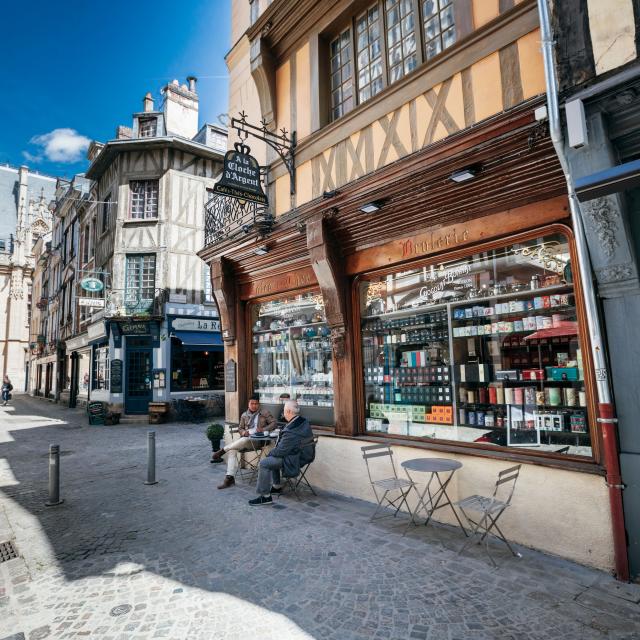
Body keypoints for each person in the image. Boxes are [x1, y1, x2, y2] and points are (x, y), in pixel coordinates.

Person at [249, 399, 313, 506]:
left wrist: (270, 454)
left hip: (294, 458)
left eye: (283, 411)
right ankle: (276, 486)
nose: (283, 414)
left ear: (288, 412)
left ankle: (265, 496)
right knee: (273, 456)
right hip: (304, 454)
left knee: (265, 463)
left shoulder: (292, 430)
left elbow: (281, 451)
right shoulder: (303, 422)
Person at [212, 394, 275, 489]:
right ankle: (229, 478)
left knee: (237, 444)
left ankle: (223, 450)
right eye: (252, 403)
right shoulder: (244, 415)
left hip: (259, 441)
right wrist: (243, 432)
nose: (254, 405)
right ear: (248, 404)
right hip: (246, 441)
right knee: (233, 450)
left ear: (259, 404)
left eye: (256, 403)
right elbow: (240, 428)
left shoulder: (264, 412)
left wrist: (264, 429)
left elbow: (274, 423)